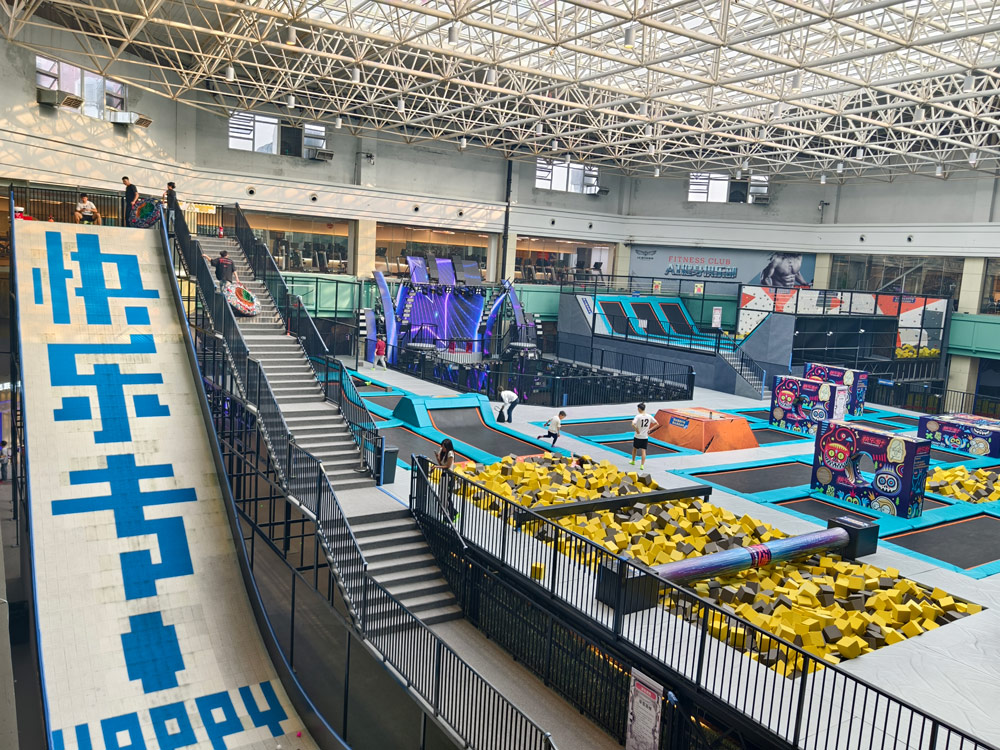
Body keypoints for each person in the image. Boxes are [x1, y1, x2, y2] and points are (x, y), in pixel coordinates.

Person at [630, 403, 659, 470]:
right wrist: (650, 429)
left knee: (634, 449)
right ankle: (642, 465)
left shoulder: (638, 416)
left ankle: (633, 461)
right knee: (643, 451)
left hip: (637, 436)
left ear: (639, 409)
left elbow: (633, 424)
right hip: (645, 436)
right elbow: (657, 424)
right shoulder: (649, 416)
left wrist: (637, 430)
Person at [434, 438, 458, 521]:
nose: (442, 448)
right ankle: (453, 512)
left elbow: (447, 466)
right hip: (444, 475)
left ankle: (452, 514)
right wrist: (437, 457)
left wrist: (436, 467)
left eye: (443, 447)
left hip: (449, 476)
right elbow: (442, 464)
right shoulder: (444, 453)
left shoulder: (450, 453)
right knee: (442, 495)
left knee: (447, 496)